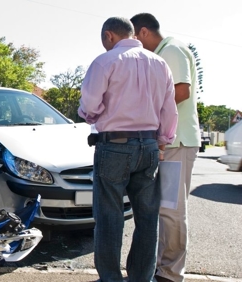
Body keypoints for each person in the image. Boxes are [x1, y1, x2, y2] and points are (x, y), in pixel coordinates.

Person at [78, 16, 178, 282]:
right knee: (147, 218)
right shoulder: (160, 63)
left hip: (114, 145)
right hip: (148, 146)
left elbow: (90, 105)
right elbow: (169, 109)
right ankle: (141, 278)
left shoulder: (105, 61)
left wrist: (91, 115)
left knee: (110, 216)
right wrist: (162, 142)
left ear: (109, 36)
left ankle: (111, 278)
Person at [130, 13, 201, 282]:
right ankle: (163, 268)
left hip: (176, 142)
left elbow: (182, 91)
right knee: (164, 209)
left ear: (144, 32)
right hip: (167, 142)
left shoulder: (171, 50)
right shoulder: (162, 52)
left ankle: (171, 274)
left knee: (172, 210)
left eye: (135, 38)